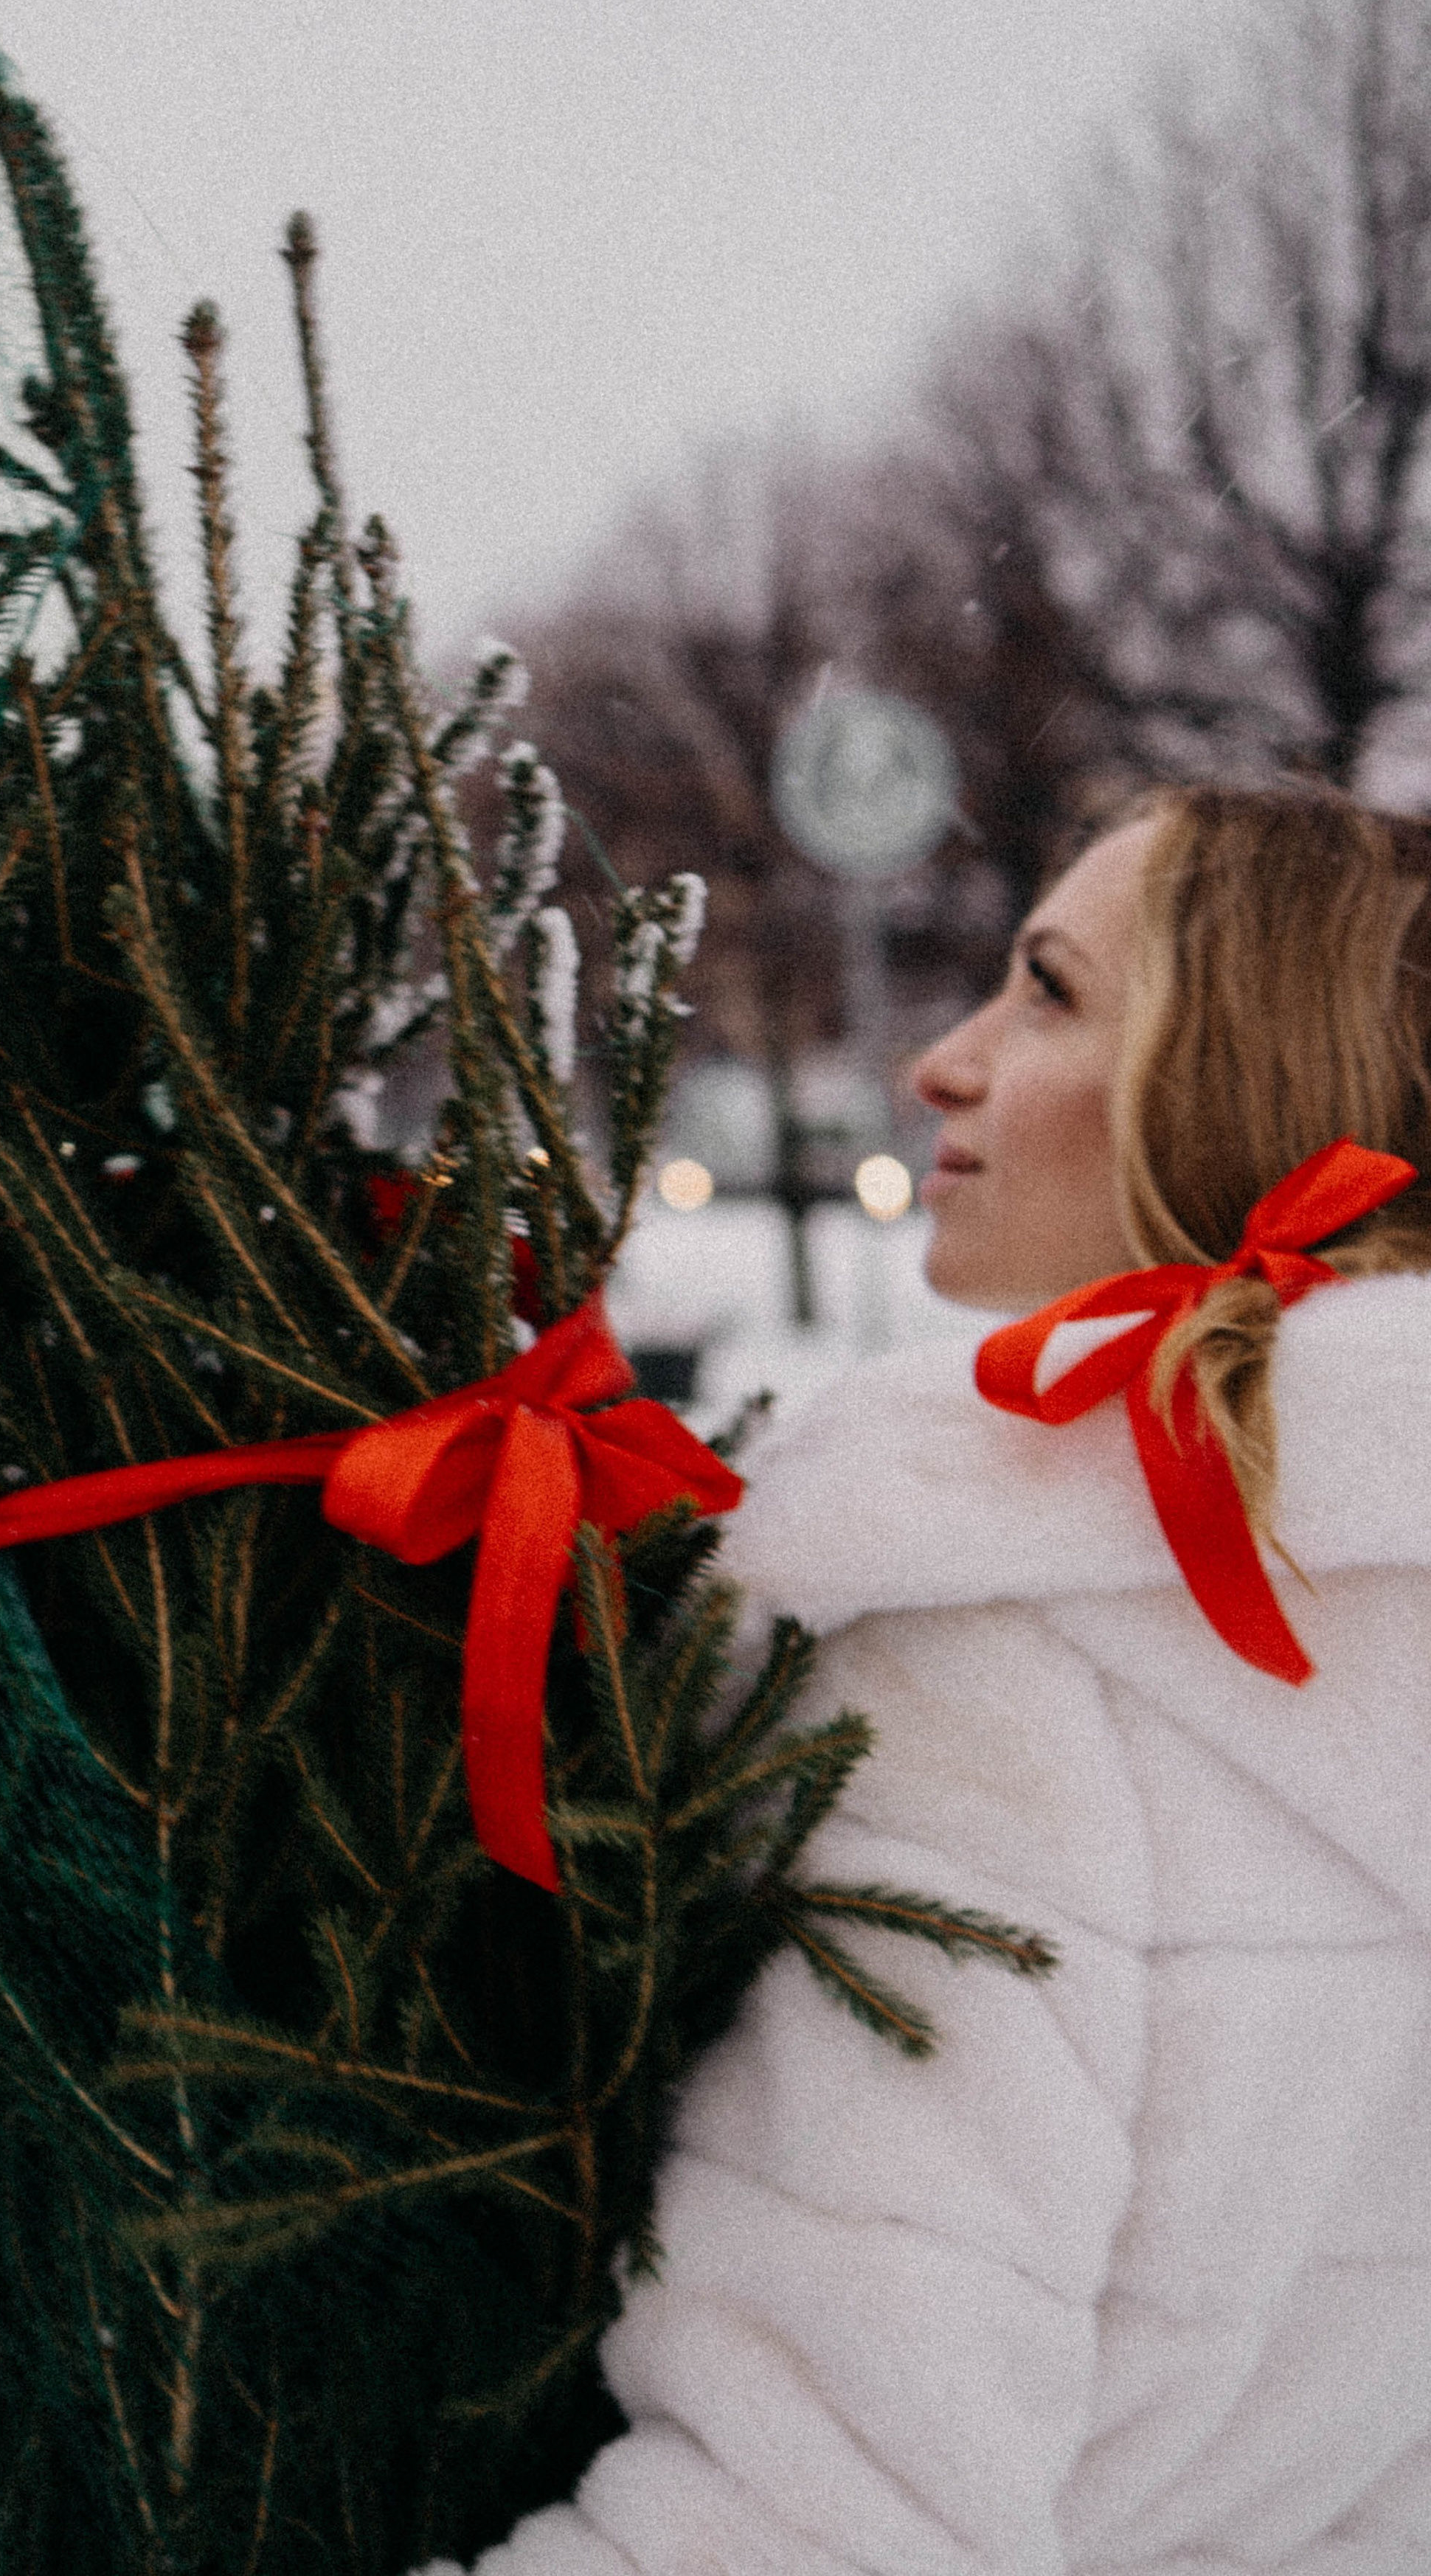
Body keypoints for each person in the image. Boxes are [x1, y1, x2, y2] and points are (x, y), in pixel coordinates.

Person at [427, 784, 1431, 2575]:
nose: (941, 1067)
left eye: (1046, 993)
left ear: (1235, 1081)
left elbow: (807, 2524)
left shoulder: (989, 1649)